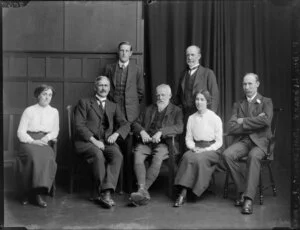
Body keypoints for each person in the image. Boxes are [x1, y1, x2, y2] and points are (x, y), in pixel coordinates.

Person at [74, 76, 130, 209]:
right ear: (95, 87)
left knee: (117, 155)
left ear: (109, 88)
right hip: (87, 141)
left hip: (106, 141)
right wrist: (94, 140)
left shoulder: (113, 105)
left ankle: (106, 191)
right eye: (100, 85)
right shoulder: (85, 102)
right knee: (98, 155)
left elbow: (125, 124)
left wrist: (116, 134)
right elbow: (79, 126)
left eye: (106, 86)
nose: (103, 88)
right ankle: (103, 192)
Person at [222, 73, 273, 215]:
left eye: (250, 84)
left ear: (257, 84)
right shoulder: (238, 104)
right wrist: (256, 120)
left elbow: (266, 121)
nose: (247, 87)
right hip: (244, 141)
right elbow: (231, 126)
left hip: (261, 143)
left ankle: (248, 199)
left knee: (253, 156)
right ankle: (243, 190)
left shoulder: (266, 101)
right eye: (244, 84)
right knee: (227, 154)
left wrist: (243, 120)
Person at [129, 84, 183, 206]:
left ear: (170, 96)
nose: (160, 97)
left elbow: (179, 127)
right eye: (158, 95)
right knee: (138, 155)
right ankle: (142, 190)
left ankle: (142, 191)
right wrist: (142, 131)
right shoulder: (149, 109)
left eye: (163, 95)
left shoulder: (176, 111)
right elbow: (135, 124)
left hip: (165, 144)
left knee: (157, 158)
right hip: (147, 142)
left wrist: (161, 132)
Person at [173, 89, 223, 207]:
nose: (199, 102)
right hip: (196, 147)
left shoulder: (215, 118)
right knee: (186, 157)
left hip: (211, 149)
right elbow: (188, 138)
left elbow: (219, 142)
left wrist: (205, 150)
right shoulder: (191, 118)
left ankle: (191, 192)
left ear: (207, 102)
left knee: (199, 159)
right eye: (197, 99)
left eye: (202, 100)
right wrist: (193, 147)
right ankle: (183, 191)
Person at [16, 84, 59, 208]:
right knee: (33, 157)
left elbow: (55, 131)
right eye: (44, 94)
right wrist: (32, 141)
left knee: (47, 157)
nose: (47, 97)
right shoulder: (29, 110)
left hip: (45, 141)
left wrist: (46, 138)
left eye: (50, 95)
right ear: (38, 95)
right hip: (28, 141)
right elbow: (21, 132)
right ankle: (26, 192)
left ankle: (37, 194)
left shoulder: (54, 112)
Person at [103, 41, 144, 123]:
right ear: (118, 52)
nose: (124, 53)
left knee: (130, 130)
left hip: (131, 109)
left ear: (130, 53)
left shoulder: (137, 69)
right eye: (122, 50)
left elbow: (141, 91)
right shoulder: (109, 68)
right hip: (114, 105)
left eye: (127, 51)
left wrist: (131, 101)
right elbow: (104, 87)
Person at [175, 45, 219, 119]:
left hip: (202, 116)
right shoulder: (183, 74)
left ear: (199, 56)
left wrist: (210, 116)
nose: (189, 58)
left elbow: (214, 96)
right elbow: (178, 98)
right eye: (187, 55)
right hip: (185, 116)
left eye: (192, 55)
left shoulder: (208, 73)